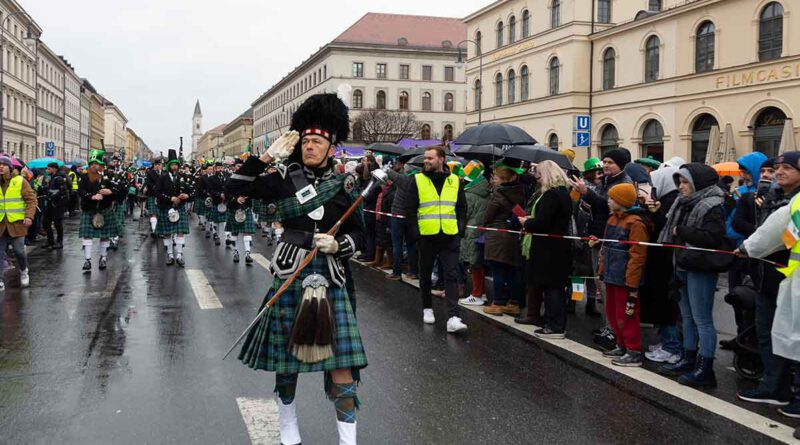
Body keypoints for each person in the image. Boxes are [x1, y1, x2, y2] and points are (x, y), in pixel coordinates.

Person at [230, 93, 366, 445]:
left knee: (342, 365)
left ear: (330, 146)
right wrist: (263, 158)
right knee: (287, 362)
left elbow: (361, 234)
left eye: (316, 142)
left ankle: (347, 439)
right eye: (305, 141)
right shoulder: (281, 179)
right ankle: (288, 423)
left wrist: (340, 245)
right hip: (292, 270)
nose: (309, 147)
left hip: (331, 275)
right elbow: (234, 188)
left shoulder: (345, 184)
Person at [735, 151, 800, 409]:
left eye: (787, 167)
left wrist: (748, 248)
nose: (778, 171)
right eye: (777, 167)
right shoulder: (773, 198)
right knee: (771, 335)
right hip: (769, 279)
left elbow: (775, 235)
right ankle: (775, 388)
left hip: (788, 279)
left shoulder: (795, 203)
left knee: (793, 336)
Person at [657, 163, 726, 387]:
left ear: (698, 183)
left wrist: (682, 231)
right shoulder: (683, 203)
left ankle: (705, 369)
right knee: (686, 316)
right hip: (683, 264)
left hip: (700, 267)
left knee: (702, 320)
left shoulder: (713, 205)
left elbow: (713, 238)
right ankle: (688, 358)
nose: (681, 186)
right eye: (680, 181)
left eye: (685, 182)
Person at [404, 145, 468, 333]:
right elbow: (410, 210)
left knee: (451, 274)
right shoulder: (417, 179)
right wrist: (416, 233)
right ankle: (427, 308)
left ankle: (453, 317)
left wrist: (460, 229)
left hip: (450, 235)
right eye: (425, 158)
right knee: (425, 275)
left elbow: (462, 208)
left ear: (441, 159)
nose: (426, 161)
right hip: (427, 236)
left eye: (430, 158)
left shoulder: (455, 180)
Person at [515, 161, 573, 339]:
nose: (536, 177)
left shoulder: (551, 195)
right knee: (554, 287)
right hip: (557, 247)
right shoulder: (564, 193)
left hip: (548, 248)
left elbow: (543, 223)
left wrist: (527, 222)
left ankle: (555, 326)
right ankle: (554, 323)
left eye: (538, 174)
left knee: (552, 288)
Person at [598, 183, 652, 367]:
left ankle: (633, 350)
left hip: (625, 278)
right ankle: (621, 344)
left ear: (621, 201)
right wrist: (602, 270)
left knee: (626, 314)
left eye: (611, 198)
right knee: (612, 312)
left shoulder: (636, 223)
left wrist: (632, 282)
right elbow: (606, 247)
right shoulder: (612, 219)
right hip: (612, 275)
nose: (608, 201)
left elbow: (637, 255)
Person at [642, 164, 682, 365]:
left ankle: (671, 346)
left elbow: (665, 230)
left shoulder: (671, 202)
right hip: (660, 260)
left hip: (666, 261)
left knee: (667, 306)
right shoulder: (666, 200)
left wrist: (655, 214)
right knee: (662, 304)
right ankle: (666, 342)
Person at [482, 161, 525, 316]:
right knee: (512, 270)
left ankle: (498, 303)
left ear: (503, 179)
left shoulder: (499, 194)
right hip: (512, 234)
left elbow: (488, 215)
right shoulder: (519, 192)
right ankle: (514, 303)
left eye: (495, 177)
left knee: (497, 270)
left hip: (497, 235)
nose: (493, 179)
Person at [78, 149, 120, 272]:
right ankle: (87, 260)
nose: (94, 166)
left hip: (104, 208)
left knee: (105, 236)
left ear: (102, 165)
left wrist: (110, 192)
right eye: (92, 164)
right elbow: (81, 191)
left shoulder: (109, 176)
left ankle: (103, 258)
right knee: (87, 235)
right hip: (89, 208)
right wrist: (91, 196)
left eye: (96, 164)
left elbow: (120, 190)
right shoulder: (84, 176)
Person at [0, 155, 36, 290]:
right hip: (1, 224)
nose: (1, 167)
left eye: (3, 165)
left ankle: (24, 271)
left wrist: (29, 216)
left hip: (17, 223)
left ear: (10, 167)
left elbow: (31, 200)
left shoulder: (20, 181)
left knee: (19, 251)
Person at [458, 160, 490, 305]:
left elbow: (464, 214)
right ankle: (480, 293)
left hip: (471, 232)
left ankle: (477, 294)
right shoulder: (484, 190)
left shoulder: (469, 194)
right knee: (478, 264)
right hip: (479, 231)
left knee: (474, 264)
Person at [155, 150, 192, 266]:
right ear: (169, 166)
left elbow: (191, 191)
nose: (174, 167)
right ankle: (170, 255)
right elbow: (157, 192)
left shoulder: (183, 177)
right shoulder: (163, 177)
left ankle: (180, 255)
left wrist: (187, 196)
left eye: (176, 164)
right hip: (166, 207)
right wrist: (170, 198)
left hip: (179, 208)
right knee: (167, 233)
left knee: (180, 232)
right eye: (172, 164)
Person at [384, 158, 419, 281]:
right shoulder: (419, 180)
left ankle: (397, 272)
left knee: (397, 245)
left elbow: (390, 173)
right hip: (411, 216)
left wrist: (387, 167)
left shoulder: (405, 179)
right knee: (411, 245)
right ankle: (413, 271)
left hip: (398, 215)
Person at [224, 163, 257, 265]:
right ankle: (236, 252)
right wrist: (236, 199)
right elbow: (226, 192)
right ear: (235, 167)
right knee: (235, 232)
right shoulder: (230, 178)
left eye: (241, 166)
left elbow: (255, 190)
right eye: (238, 166)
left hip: (246, 207)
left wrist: (247, 197)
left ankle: (247, 254)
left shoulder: (250, 179)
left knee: (247, 231)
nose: (239, 168)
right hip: (234, 207)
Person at [42, 163, 67, 249]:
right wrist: (45, 188)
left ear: (54, 169)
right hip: (49, 203)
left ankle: (59, 242)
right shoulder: (50, 178)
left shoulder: (59, 178)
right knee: (45, 222)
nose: (47, 170)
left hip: (57, 204)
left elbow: (62, 191)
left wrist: (53, 195)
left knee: (57, 223)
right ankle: (50, 240)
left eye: (48, 169)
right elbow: (50, 189)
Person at [144, 159, 163, 237]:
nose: (159, 166)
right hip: (152, 195)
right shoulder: (150, 173)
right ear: (155, 165)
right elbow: (149, 184)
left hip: (162, 196)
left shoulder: (164, 173)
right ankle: (154, 230)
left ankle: (161, 231)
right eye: (157, 165)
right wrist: (156, 189)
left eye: (160, 165)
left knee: (161, 214)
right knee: (153, 213)